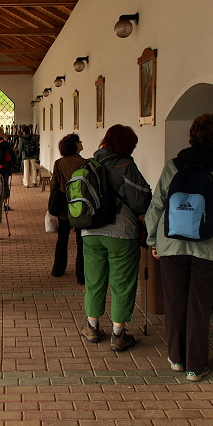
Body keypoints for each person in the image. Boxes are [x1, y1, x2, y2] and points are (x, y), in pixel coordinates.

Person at [145, 113, 213, 382]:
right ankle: (196, 366)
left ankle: (177, 359)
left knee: (175, 303)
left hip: (172, 245)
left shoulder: (174, 165)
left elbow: (157, 206)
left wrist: (153, 240)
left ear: (191, 137)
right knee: (200, 307)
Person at [80, 124, 152, 351]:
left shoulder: (89, 163)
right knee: (122, 282)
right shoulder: (126, 165)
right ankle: (118, 334)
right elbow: (139, 201)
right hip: (121, 232)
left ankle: (92, 328)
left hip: (90, 231)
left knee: (94, 280)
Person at [50, 133, 86, 284]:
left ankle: (58, 269)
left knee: (62, 239)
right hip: (80, 206)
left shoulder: (59, 163)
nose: (82, 143)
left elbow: (54, 185)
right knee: (81, 242)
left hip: (64, 207)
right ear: (75, 145)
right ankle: (81, 275)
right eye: (79, 141)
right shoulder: (85, 163)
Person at [0, 126, 17, 212]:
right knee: (5, 186)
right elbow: (12, 157)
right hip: (4, 168)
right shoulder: (4, 143)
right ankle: (5, 204)